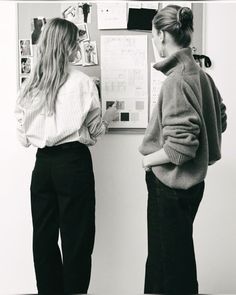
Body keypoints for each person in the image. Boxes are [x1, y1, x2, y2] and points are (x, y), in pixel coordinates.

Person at [15, 18, 118, 295]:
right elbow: (94, 132)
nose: (79, 46)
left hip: (43, 166)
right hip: (73, 164)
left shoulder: (30, 85)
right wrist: (108, 117)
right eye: (76, 41)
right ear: (65, 46)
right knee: (77, 239)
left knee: (44, 238)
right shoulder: (82, 83)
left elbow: (23, 137)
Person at [139, 5, 227, 294]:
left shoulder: (177, 81)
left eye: (154, 36)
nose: (154, 42)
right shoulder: (201, 75)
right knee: (174, 263)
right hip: (190, 187)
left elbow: (179, 150)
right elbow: (220, 119)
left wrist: (148, 161)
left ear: (163, 35)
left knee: (170, 272)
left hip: (170, 186)